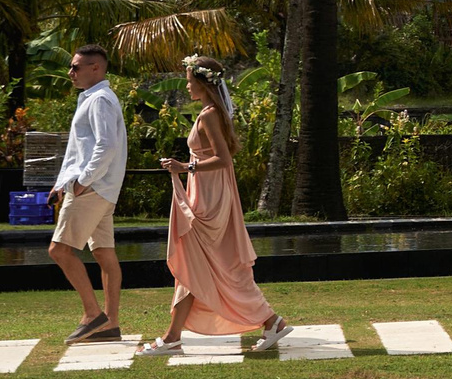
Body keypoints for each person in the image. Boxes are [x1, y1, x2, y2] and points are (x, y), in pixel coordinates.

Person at [140, 56, 291, 358]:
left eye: (189, 80)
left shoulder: (210, 115)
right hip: (209, 192)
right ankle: (175, 336)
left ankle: (175, 337)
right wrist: (187, 168)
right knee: (201, 264)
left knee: (203, 263)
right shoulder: (213, 113)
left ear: (203, 83)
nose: (186, 85)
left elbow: (224, 158)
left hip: (209, 198)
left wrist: (185, 167)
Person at [48, 45, 128, 344]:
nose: (70, 72)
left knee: (60, 251)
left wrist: (82, 182)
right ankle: (111, 323)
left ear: (96, 68)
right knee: (103, 253)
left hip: (93, 189)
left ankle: (94, 315)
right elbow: (77, 151)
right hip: (100, 188)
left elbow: (106, 147)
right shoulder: (93, 98)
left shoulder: (100, 100)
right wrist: (61, 184)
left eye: (76, 67)